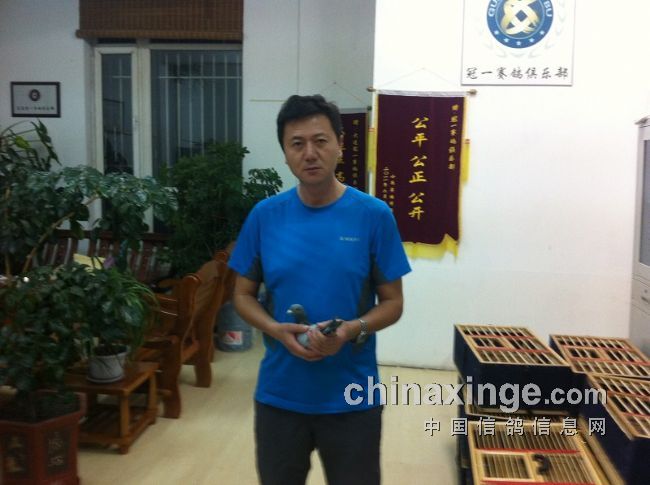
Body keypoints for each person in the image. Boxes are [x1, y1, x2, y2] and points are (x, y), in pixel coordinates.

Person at [229, 94, 411, 485]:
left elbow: (393, 303)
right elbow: (242, 295)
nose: (309, 153)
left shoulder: (373, 216)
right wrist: (274, 328)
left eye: (320, 140)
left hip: (352, 398)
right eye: (297, 144)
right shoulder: (265, 216)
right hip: (280, 397)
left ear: (340, 145)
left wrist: (349, 330)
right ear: (285, 153)